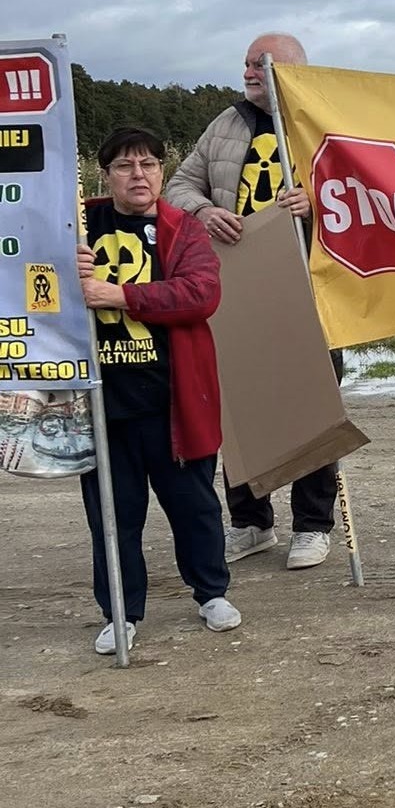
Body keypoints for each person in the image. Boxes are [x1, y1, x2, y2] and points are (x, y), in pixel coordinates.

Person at [163, 32, 341, 571]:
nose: (248, 72)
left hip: (311, 289)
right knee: (238, 406)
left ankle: (312, 526)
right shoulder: (226, 124)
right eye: (245, 63)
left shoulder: (325, 126)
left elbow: (364, 199)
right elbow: (178, 187)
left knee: (312, 404)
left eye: (260, 65)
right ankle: (251, 522)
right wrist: (203, 212)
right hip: (237, 288)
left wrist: (315, 203)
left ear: (292, 72)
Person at [78, 126, 241, 654]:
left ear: (162, 172)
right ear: (105, 174)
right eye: (125, 166)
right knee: (112, 516)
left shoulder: (182, 229)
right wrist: (63, 272)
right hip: (102, 404)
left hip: (173, 401)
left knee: (194, 507)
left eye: (148, 164)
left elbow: (201, 293)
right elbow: (35, 284)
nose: (138, 175)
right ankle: (120, 612)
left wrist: (119, 296)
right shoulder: (78, 222)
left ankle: (211, 593)